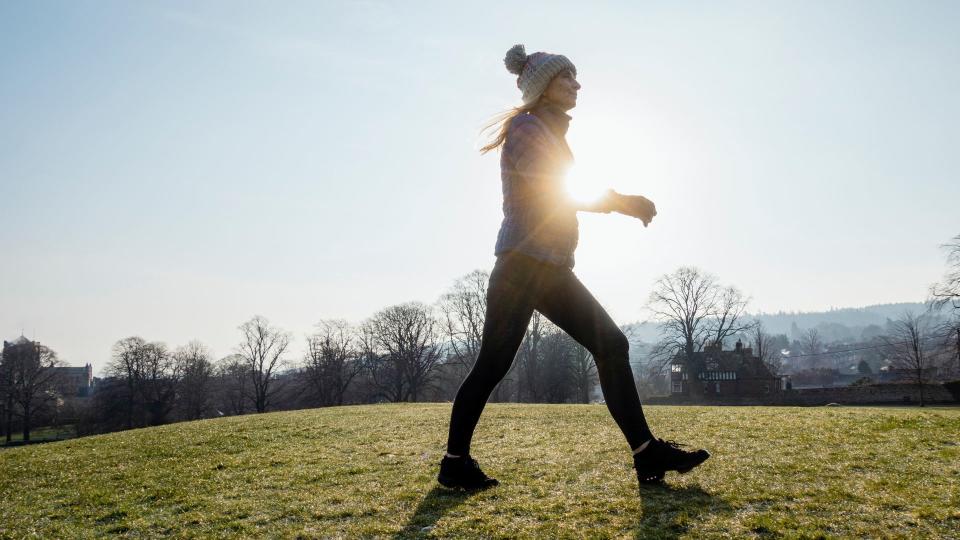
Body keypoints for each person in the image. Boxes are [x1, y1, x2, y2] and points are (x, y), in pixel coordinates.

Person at [437, 44, 710, 490]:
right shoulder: (528, 130)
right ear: (545, 87)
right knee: (493, 366)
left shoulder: (547, 131)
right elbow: (556, 190)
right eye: (567, 78)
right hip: (525, 266)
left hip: (547, 267)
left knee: (611, 346)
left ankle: (646, 454)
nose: (577, 84)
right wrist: (622, 202)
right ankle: (454, 463)